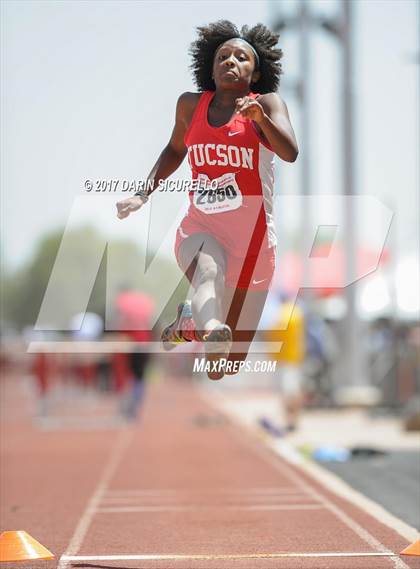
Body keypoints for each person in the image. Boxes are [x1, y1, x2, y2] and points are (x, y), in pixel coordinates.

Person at [116, 20, 298, 380]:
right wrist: (142, 193)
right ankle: (210, 324)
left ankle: (191, 324)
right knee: (208, 273)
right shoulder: (190, 105)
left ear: (256, 72)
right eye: (223, 56)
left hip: (255, 245)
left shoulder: (268, 104)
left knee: (225, 368)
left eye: (241, 57)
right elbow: (173, 149)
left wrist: (260, 118)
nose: (231, 61)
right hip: (202, 227)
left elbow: (290, 152)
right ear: (211, 68)